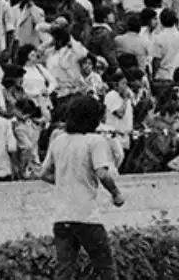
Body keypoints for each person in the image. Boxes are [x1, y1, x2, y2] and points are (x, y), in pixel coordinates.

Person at [40, 93, 124, 280]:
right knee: (106, 268)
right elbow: (102, 173)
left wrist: (65, 180)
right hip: (86, 216)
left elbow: (43, 173)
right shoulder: (95, 141)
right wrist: (116, 193)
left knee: (64, 270)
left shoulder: (59, 140)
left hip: (62, 217)